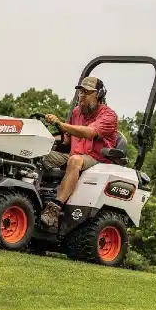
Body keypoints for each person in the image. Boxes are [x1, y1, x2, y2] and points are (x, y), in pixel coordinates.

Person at [39, 76, 119, 227]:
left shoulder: (108, 116)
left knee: (75, 161)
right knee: (37, 153)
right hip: (73, 154)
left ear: (99, 95)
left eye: (87, 92)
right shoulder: (77, 112)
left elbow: (87, 132)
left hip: (97, 159)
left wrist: (59, 123)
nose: (82, 96)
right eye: (81, 92)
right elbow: (67, 139)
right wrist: (42, 138)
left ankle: (55, 208)